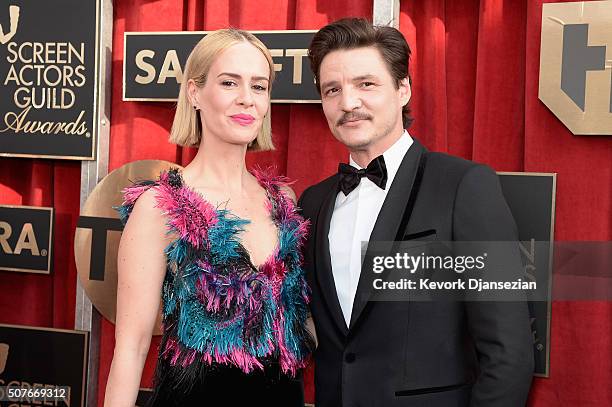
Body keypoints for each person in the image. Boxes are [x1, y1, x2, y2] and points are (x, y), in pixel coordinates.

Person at [299, 18, 534, 406]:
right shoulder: (313, 202)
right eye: (332, 90)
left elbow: (508, 350)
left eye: (366, 84)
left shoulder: (464, 186)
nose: (348, 103)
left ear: (403, 88)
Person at [104, 28, 314, 407]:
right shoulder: (160, 205)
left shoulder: (283, 201)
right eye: (229, 82)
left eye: (259, 86)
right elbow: (131, 349)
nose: (246, 99)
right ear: (195, 92)